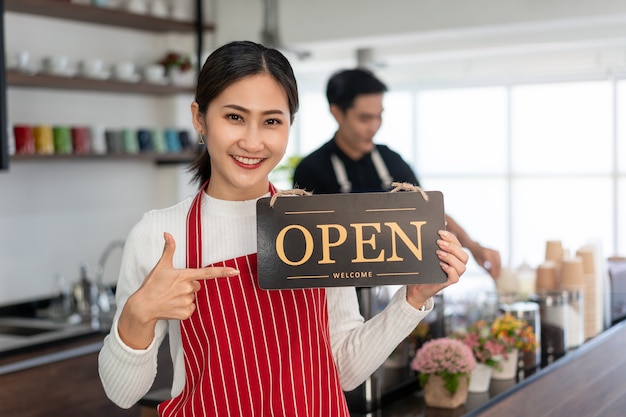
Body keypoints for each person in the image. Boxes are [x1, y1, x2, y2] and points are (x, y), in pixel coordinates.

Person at [98, 41, 468, 417]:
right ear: (200, 118)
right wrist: (136, 316)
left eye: (272, 121)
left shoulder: (318, 223)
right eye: (234, 117)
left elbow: (344, 369)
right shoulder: (161, 235)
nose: (253, 141)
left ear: (290, 124)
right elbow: (123, 393)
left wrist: (412, 300)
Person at [293, 68, 501, 279]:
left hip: (390, 289)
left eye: (379, 116)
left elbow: (429, 210)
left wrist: (473, 247)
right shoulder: (311, 169)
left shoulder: (389, 160)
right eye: (365, 118)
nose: (374, 127)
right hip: (335, 292)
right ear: (336, 112)